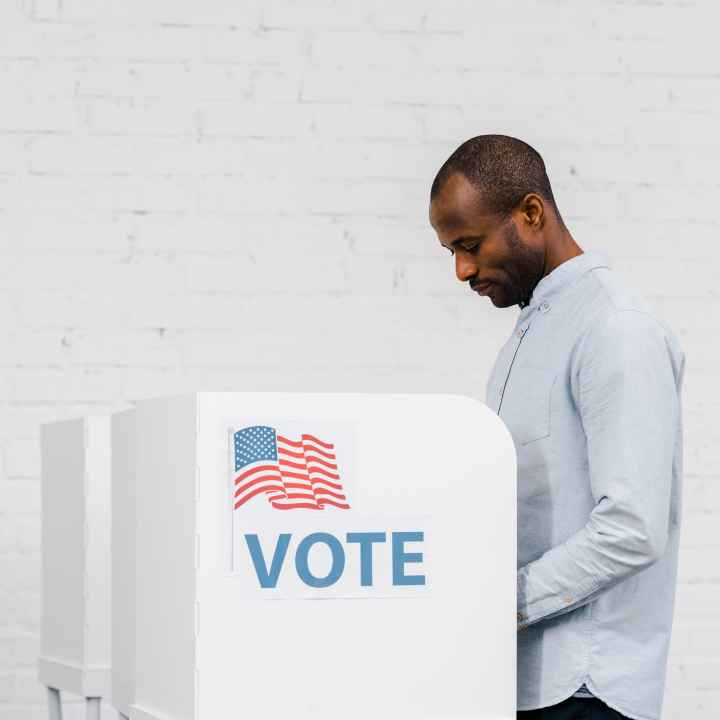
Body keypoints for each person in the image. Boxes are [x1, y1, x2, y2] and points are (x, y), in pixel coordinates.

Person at [428, 135, 685, 720]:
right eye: (450, 251)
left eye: (469, 245)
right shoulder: (534, 327)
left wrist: (497, 603)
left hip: (586, 690)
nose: (462, 270)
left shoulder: (615, 329)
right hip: (524, 680)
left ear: (531, 213)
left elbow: (633, 528)